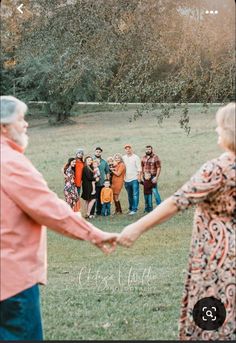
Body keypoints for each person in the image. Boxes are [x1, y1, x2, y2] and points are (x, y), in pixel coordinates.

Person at [0, 96, 118, 341]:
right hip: (11, 281)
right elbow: (49, 207)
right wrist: (93, 234)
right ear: (3, 126)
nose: (26, 125)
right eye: (20, 119)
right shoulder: (10, 162)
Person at [118, 103, 236, 340]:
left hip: (216, 258)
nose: (216, 130)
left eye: (220, 126)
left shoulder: (218, 169)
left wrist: (136, 228)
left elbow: (177, 202)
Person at [122, 144, 142, 215]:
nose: (128, 150)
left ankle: (134, 209)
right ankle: (130, 209)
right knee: (129, 195)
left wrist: (139, 177)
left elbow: (139, 168)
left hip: (134, 179)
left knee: (135, 194)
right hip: (126, 179)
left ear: (131, 149)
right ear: (125, 150)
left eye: (129, 148)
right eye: (126, 149)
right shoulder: (123, 158)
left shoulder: (136, 157)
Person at [90, 147, 110, 216]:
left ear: (101, 153)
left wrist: (108, 181)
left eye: (99, 152)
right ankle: (91, 212)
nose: (98, 153)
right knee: (94, 198)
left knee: (101, 198)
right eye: (97, 151)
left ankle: (99, 212)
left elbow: (107, 172)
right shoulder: (91, 161)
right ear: (94, 152)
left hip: (102, 183)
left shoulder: (104, 162)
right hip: (93, 183)